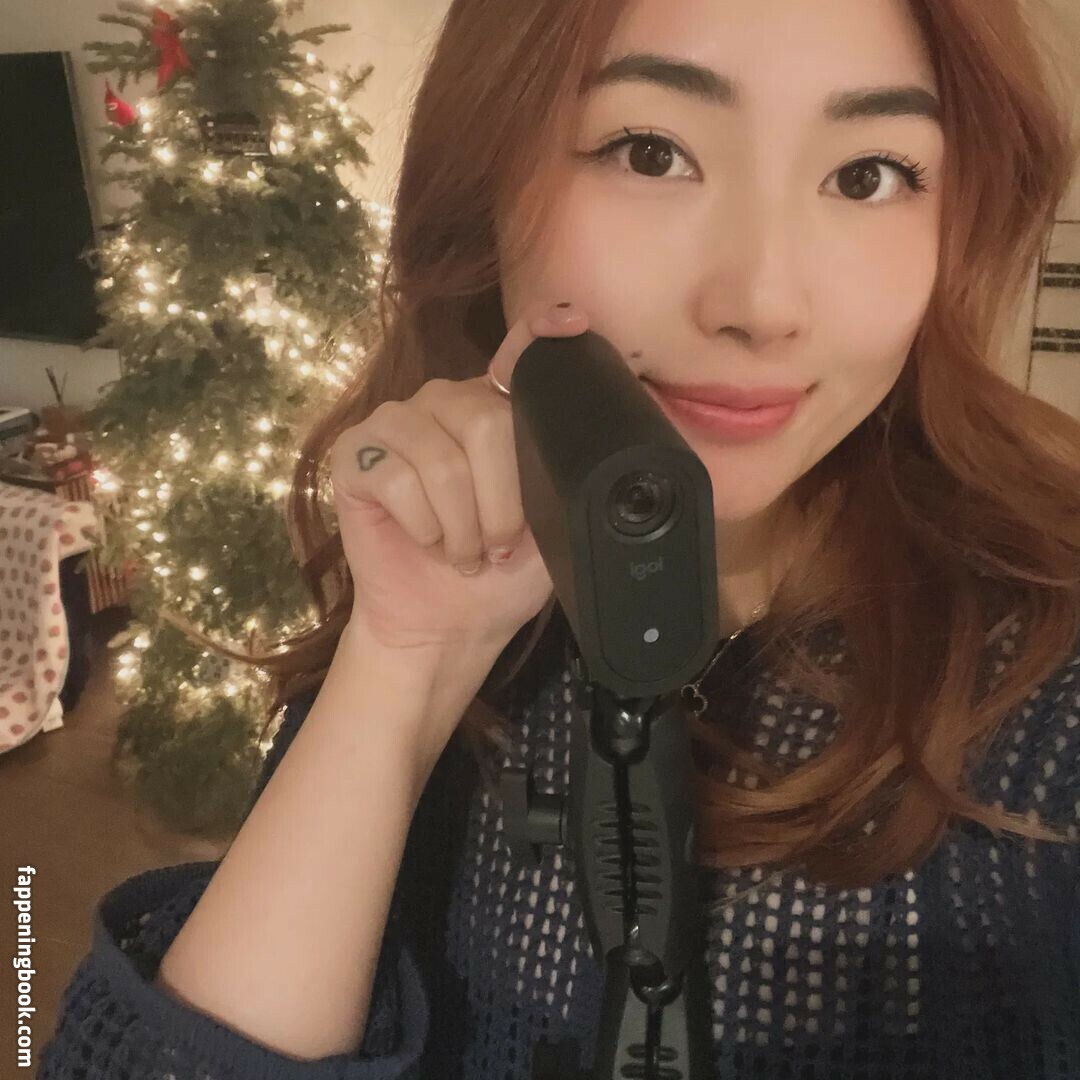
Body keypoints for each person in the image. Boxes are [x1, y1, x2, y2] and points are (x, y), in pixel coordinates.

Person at [39, 0, 1080, 1077]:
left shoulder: (1048, 696)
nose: (763, 303)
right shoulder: (455, 587)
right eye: (650, 152)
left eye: (869, 175)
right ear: (484, 182)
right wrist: (405, 670)